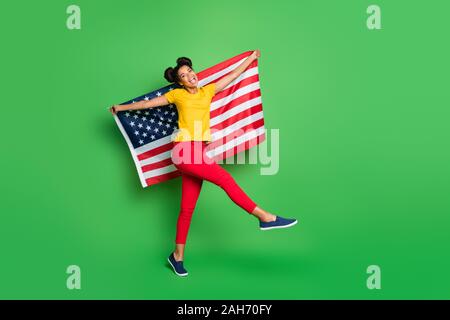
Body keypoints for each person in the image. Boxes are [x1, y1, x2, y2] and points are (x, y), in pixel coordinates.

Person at [109, 50, 297, 277]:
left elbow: (231, 77)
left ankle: (177, 256)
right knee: (225, 179)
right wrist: (121, 108)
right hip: (183, 150)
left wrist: (251, 59)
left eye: (190, 71)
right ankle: (264, 217)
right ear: (179, 82)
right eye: (184, 76)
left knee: (187, 209)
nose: (190, 76)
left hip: (198, 151)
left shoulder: (207, 91)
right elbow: (147, 105)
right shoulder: (178, 96)